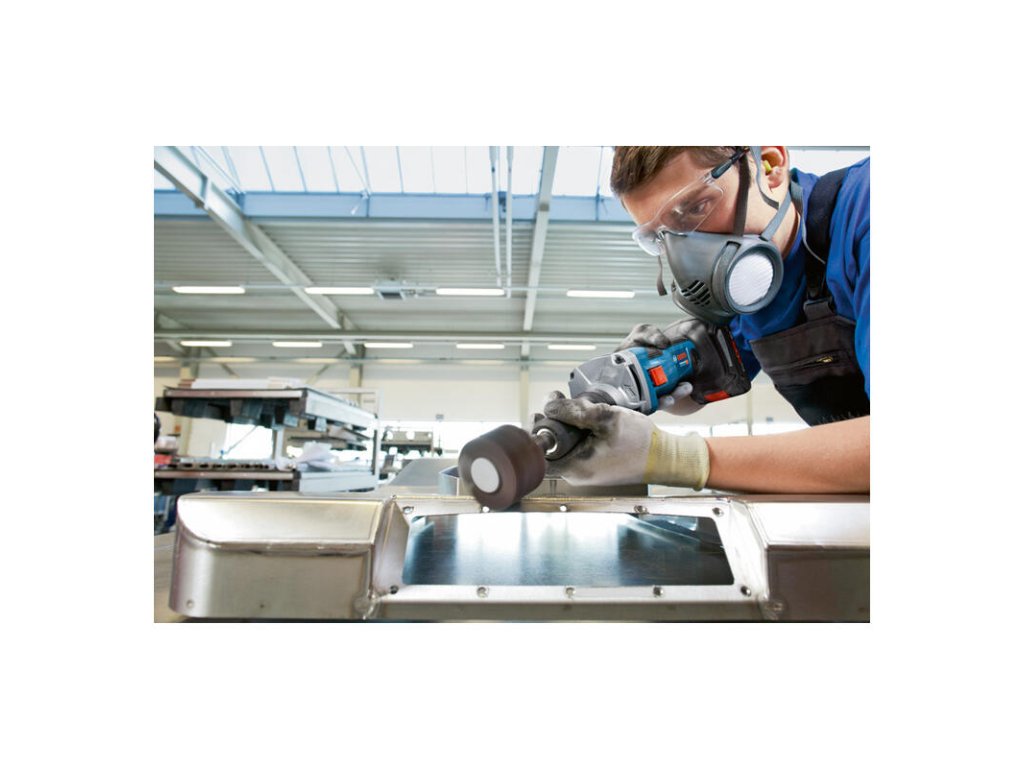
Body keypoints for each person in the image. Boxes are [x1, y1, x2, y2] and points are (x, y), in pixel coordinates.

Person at [542, 146, 869, 494]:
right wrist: (636, 388)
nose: (686, 252)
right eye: (660, 237)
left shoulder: (867, 208)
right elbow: (698, 383)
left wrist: (675, 457)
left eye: (697, 208)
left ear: (770, 166)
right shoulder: (751, 292)